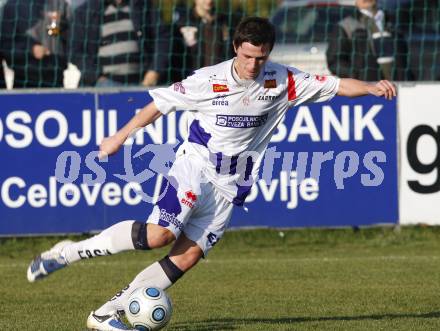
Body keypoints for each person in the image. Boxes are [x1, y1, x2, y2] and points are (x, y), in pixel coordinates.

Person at [27, 17, 396, 330]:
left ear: (269, 53)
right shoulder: (209, 80)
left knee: (185, 258)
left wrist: (371, 87)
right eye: (248, 56)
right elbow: (158, 105)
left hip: (231, 186)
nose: (254, 65)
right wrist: (120, 137)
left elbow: (335, 85)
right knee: (159, 235)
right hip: (195, 168)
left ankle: (108, 313)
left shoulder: (283, 80)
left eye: (261, 57)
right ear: (237, 47)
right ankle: (68, 254)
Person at [70, 0, 168, 87]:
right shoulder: (84, 12)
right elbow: (75, 51)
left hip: (142, 82)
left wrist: (155, 70)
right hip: (105, 84)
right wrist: (96, 76)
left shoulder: (143, 5)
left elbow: (163, 38)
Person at [326, 0, 411, 81]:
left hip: (397, 87)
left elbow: (405, 56)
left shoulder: (394, 23)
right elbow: (334, 61)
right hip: (367, 90)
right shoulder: (345, 26)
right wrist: (358, 76)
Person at [0, 0, 70, 88]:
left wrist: (59, 55)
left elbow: (72, 42)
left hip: (56, 77)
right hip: (24, 80)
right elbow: (5, 46)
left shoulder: (60, 5)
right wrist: (30, 49)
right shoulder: (12, 6)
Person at [170, 0, 240, 81]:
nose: (209, 1)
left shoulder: (226, 22)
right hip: (190, 80)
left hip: (219, 80)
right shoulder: (182, 22)